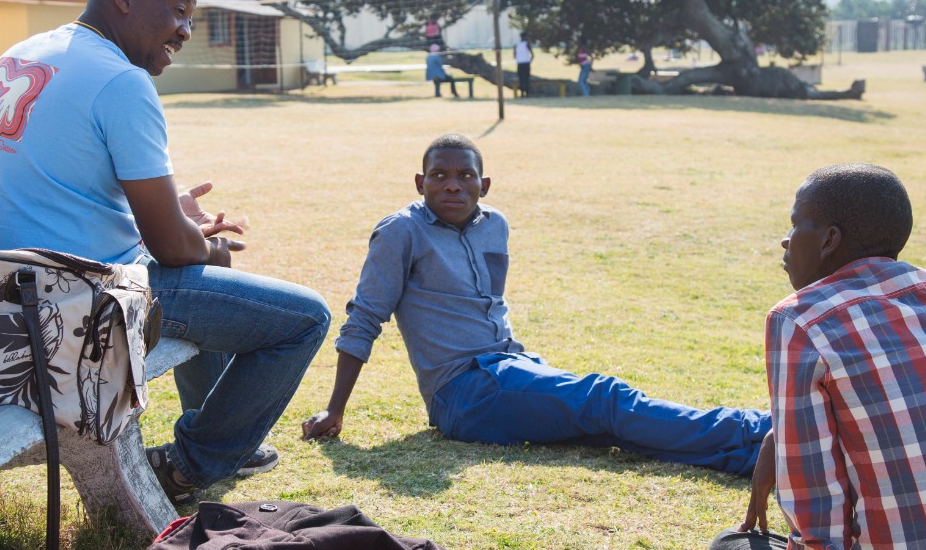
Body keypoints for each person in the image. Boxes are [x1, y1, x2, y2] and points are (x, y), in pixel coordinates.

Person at [0, 0, 331, 505]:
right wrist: (210, 248)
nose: (184, 31)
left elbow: (48, 186)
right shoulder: (121, 81)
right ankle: (189, 464)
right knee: (301, 317)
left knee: (208, 288)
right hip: (74, 303)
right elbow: (173, 251)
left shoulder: (24, 53)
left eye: (191, 19)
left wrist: (170, 219)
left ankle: (221, 438)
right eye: (178, 11)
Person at [301, 133, 769, 476]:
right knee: (605, 398)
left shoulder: (494, 223)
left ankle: (749, 457)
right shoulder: (402, 231)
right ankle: (759, 430)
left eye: (465, 176)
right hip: (463, 393)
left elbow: (492, 302)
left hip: (512, 365)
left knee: (609, 429)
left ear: (484, 184)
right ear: (420, 182)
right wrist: (335, 409)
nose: (452, 185)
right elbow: (364, 318)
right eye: (439, 176)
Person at [707, 164, 926, 550]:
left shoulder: (797, 319)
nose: (786, 240)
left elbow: (818, 505)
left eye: (796, 224)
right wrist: (777, 436)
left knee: (731, 547)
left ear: (829, 240)